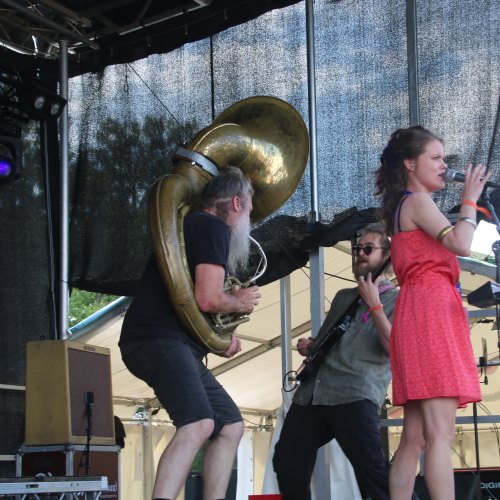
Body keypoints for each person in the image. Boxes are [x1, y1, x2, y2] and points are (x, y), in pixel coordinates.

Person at [119, 166, 261, 500]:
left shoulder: (195, 224)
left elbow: (192, 305)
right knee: (198, 423)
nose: (249, 220)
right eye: (250, 210)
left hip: (169, 341)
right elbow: (208, 298)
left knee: (230, 425)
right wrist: (239, 302)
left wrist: (219, 339)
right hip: (156, 338)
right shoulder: (213, 226)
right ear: (236, 203)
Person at [374, 126, 488, 499]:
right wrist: (469, 200)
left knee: (416, 437)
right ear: (410, 164)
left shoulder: (407, 205)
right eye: (435, 158)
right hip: (430, 313)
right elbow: (461, 243)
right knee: (441, 432)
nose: (443, 165)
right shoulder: (419, 202)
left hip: (420, 311)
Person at [273, 228, 402, 500]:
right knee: (287, 460)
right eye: (357, 249)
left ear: (387, 256)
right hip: (313, 394)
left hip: (354, 393)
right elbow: (325, 341)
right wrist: (311, 345)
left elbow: (395, 349)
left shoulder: (398, 299)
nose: (360, 253)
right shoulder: (344, 296)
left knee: (373, 473)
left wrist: (374, 305)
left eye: (368, 249)